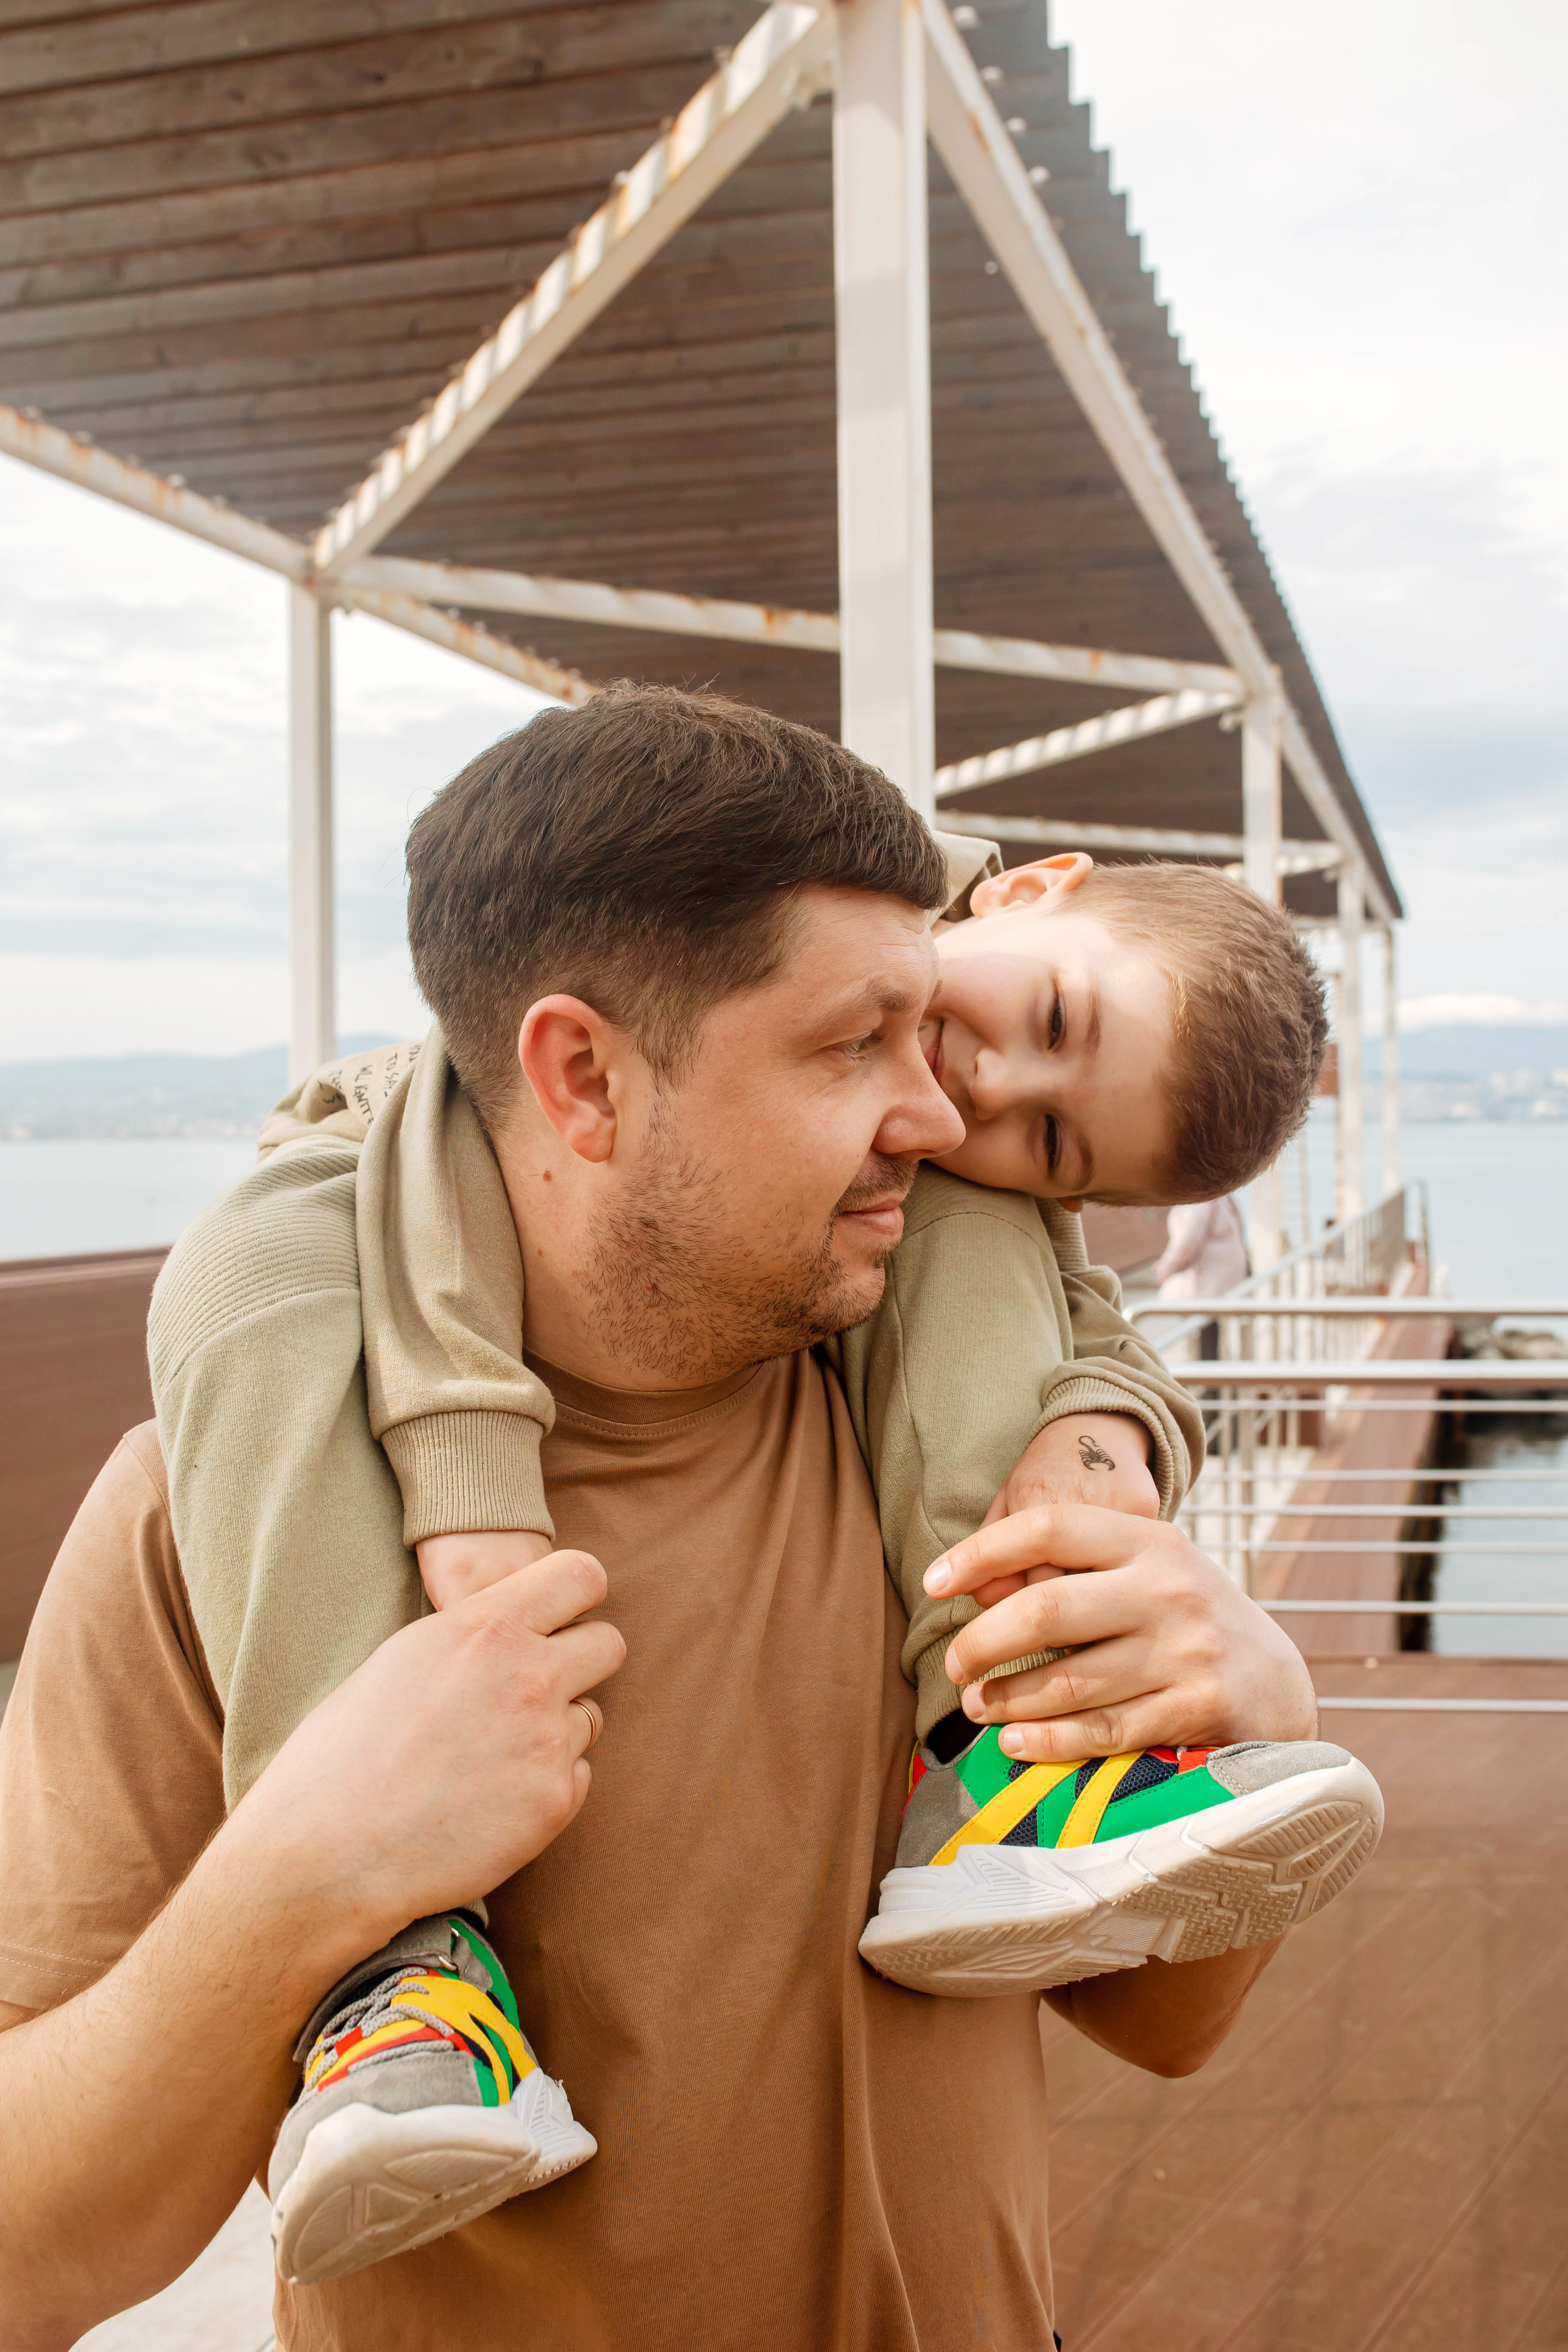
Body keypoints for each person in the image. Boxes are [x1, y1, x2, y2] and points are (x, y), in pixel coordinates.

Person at [0, 689, 1343, 2350]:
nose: (945, 1112)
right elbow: (26, 2264)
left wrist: (1259, 1704)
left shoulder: (984, 1448)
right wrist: (298, 1879)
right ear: (583, 1077)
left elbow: (1163, 2022)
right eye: (853, 1045)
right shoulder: (206, 1513)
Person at [1158, 1193, 1251, 1360]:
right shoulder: (1222, 1197)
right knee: (1209, 1333)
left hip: (1206, 1278)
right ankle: (1210, 1373)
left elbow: (1189, 1239)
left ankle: (1206, 1374)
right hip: (1220, 1278)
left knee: (1203, 1333)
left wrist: (1167, 1266)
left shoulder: (1200, 1199)